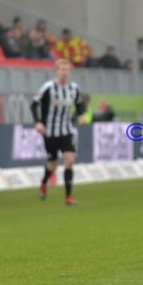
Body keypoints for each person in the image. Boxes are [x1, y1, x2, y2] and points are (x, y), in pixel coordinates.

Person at [30, 59, 86, 206]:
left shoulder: (74, 88)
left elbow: (79, 104)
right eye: (62, 70)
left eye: (67, 70)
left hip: (66, 130)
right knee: (53, 163)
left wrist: (81, 115)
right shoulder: (48, 87)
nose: (65, 73)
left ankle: (68, 197)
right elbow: (34, 104)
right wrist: (39, 122)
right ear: (56, 71)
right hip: (50, 132)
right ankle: (44, 182)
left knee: (69, 160)